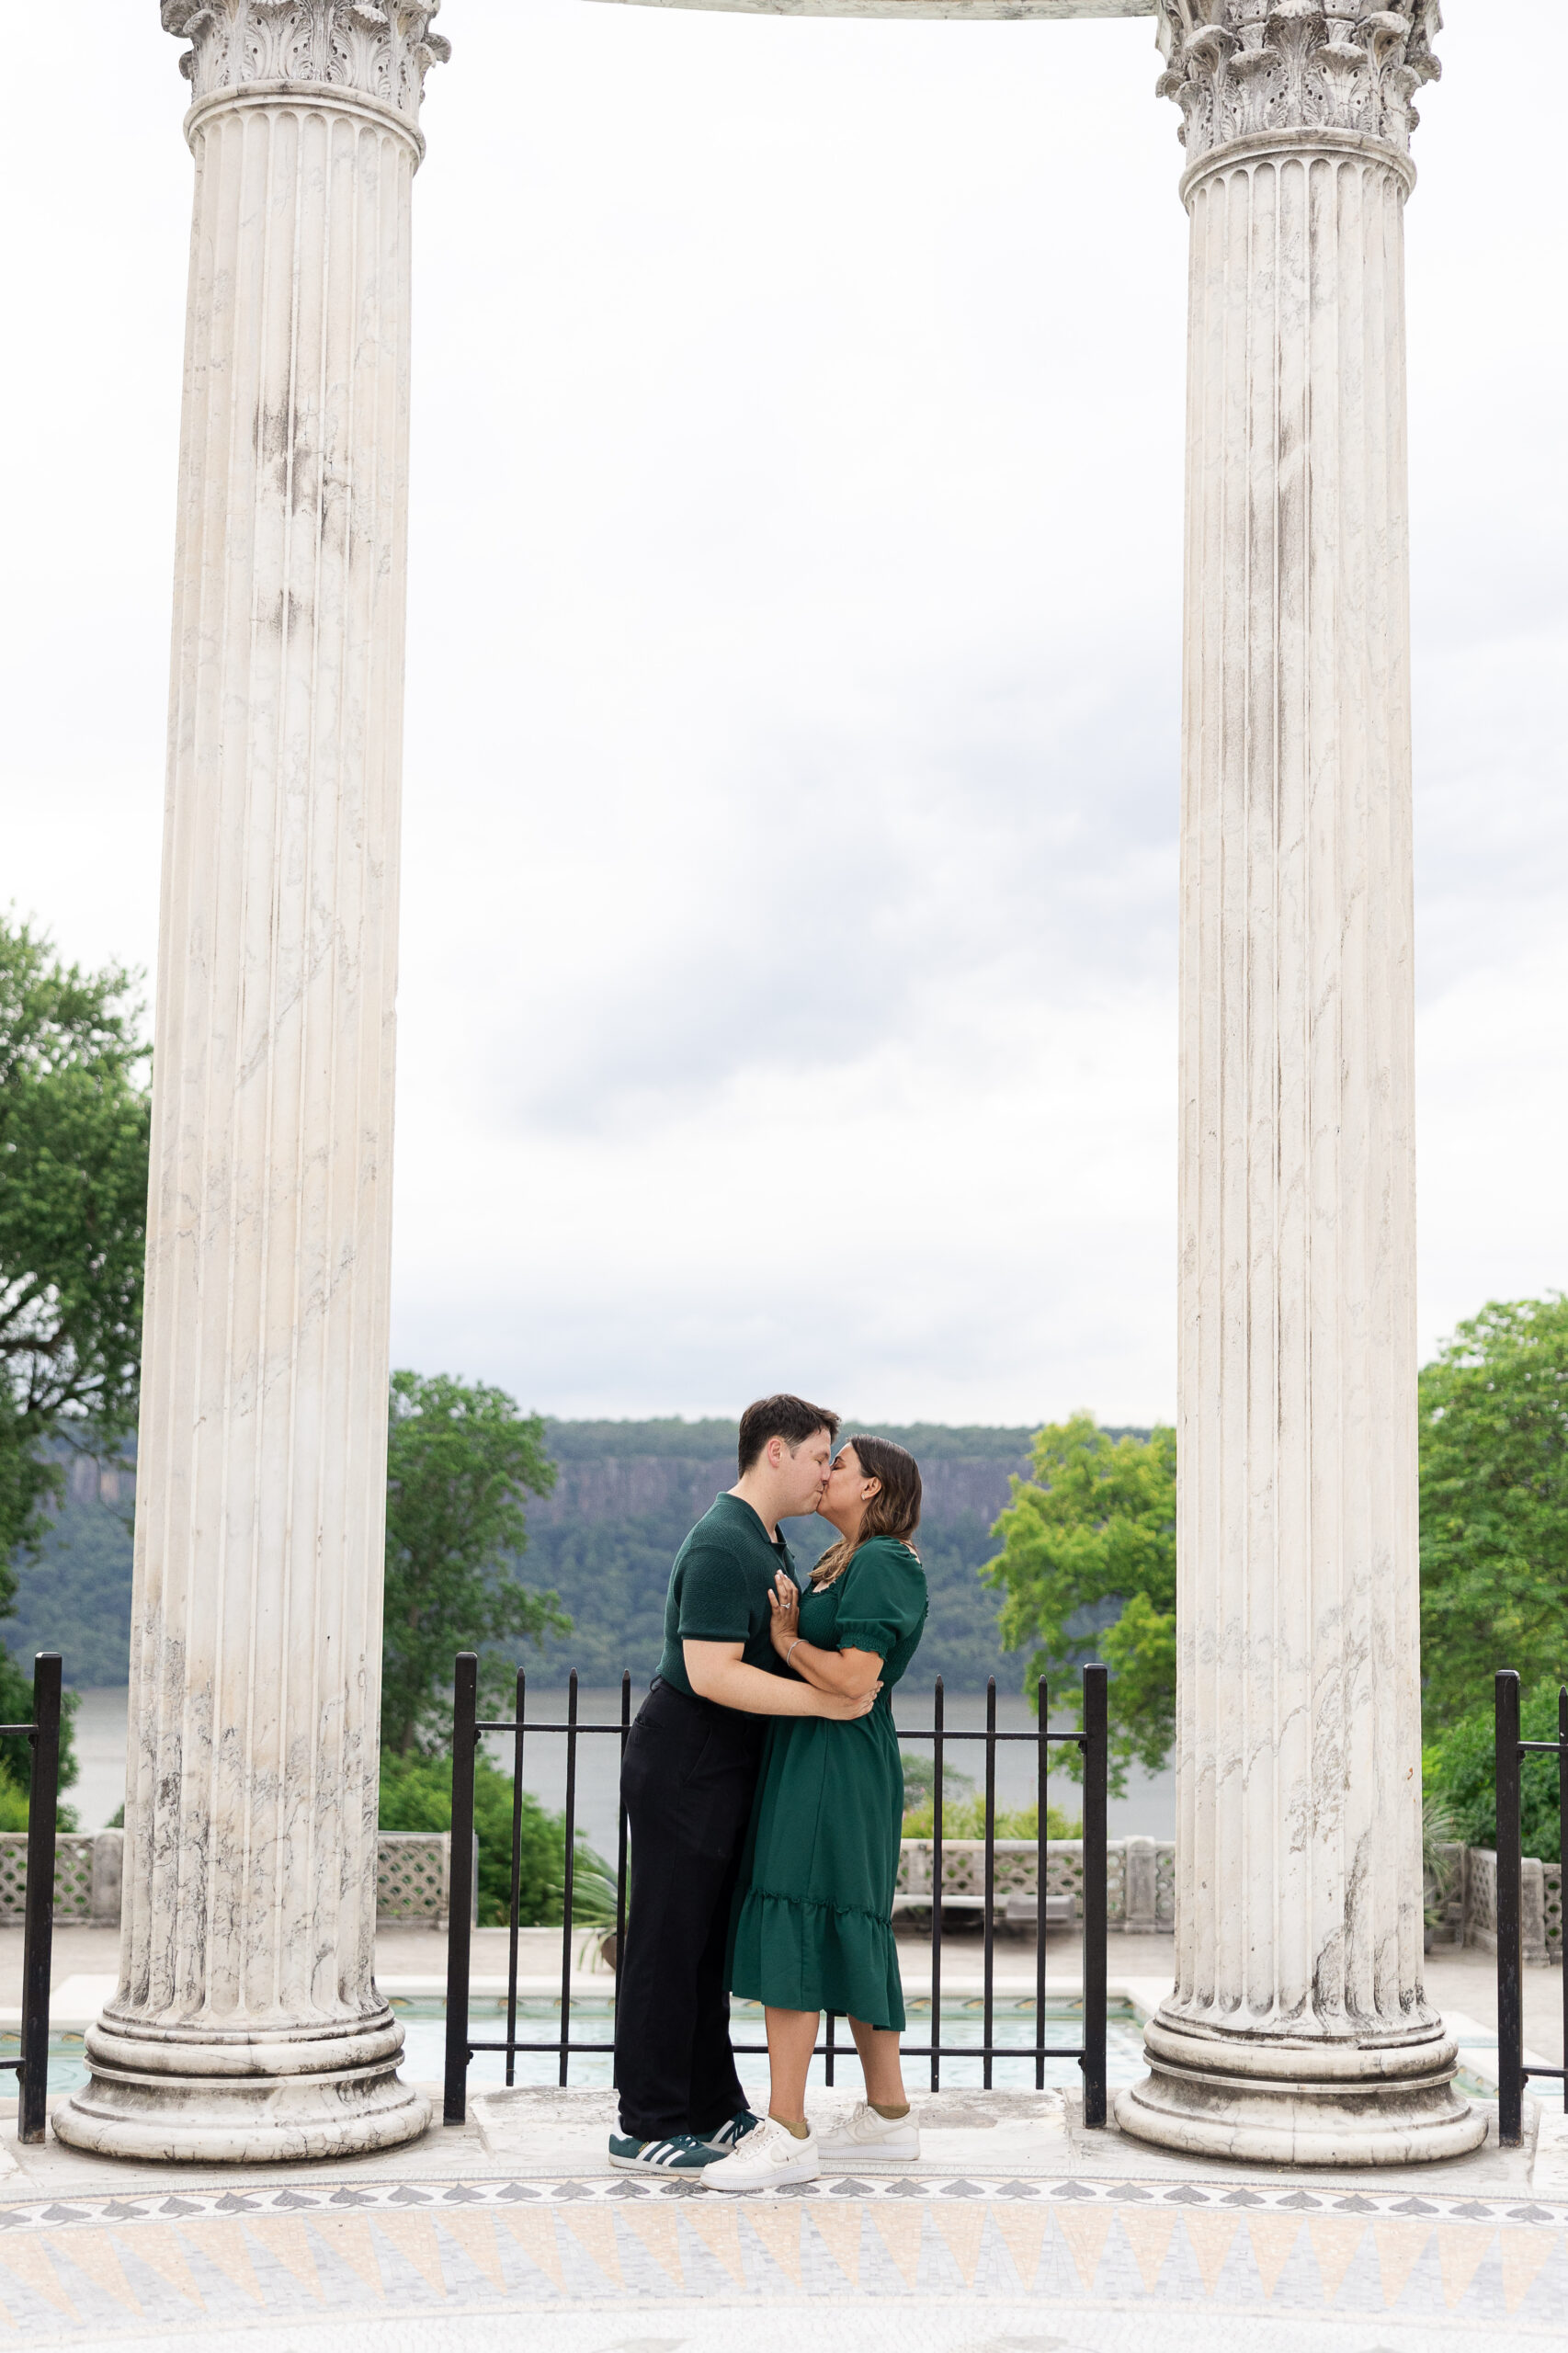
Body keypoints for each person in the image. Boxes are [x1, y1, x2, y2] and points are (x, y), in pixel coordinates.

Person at [609, 1393, 880, 2173]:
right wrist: (829, 1704)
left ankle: (711, 2104)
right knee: (667, 1941)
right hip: (688, 1759)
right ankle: (647, 2119)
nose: (828, 1471)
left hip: (724, 1764)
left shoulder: (764, 1540)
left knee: (705, 1946)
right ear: (776, 1453)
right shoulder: (724, 1545)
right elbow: (709, 1672)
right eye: (820, 1455)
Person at [702, 1433, 928, 2190]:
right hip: (822, 1757)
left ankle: (789, 2131)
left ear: (871, 1489)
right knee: (840, 1919)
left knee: (802, 1918)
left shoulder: (882, 1562)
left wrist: (788, 1641)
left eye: (842, 1466)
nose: (827, 1473)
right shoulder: (846, 1559)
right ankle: (890, 2118)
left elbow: (853, 1679)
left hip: (834, 1762)